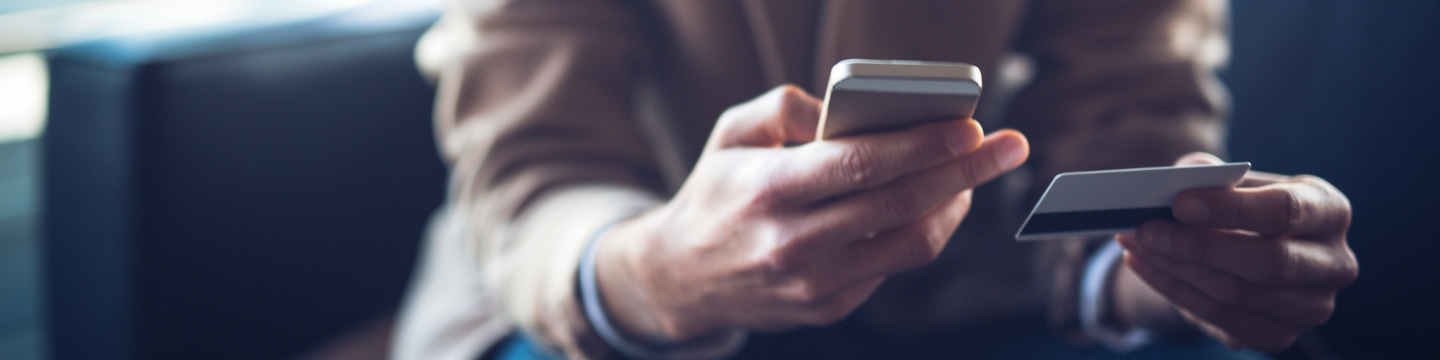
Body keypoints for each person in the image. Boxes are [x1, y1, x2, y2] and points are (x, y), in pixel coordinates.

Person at [392, 0, 1358, 359]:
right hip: (610, 294)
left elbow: (1126, 107)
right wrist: (661, 272)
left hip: (972, 287)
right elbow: (535, 160)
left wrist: (1168, 263)